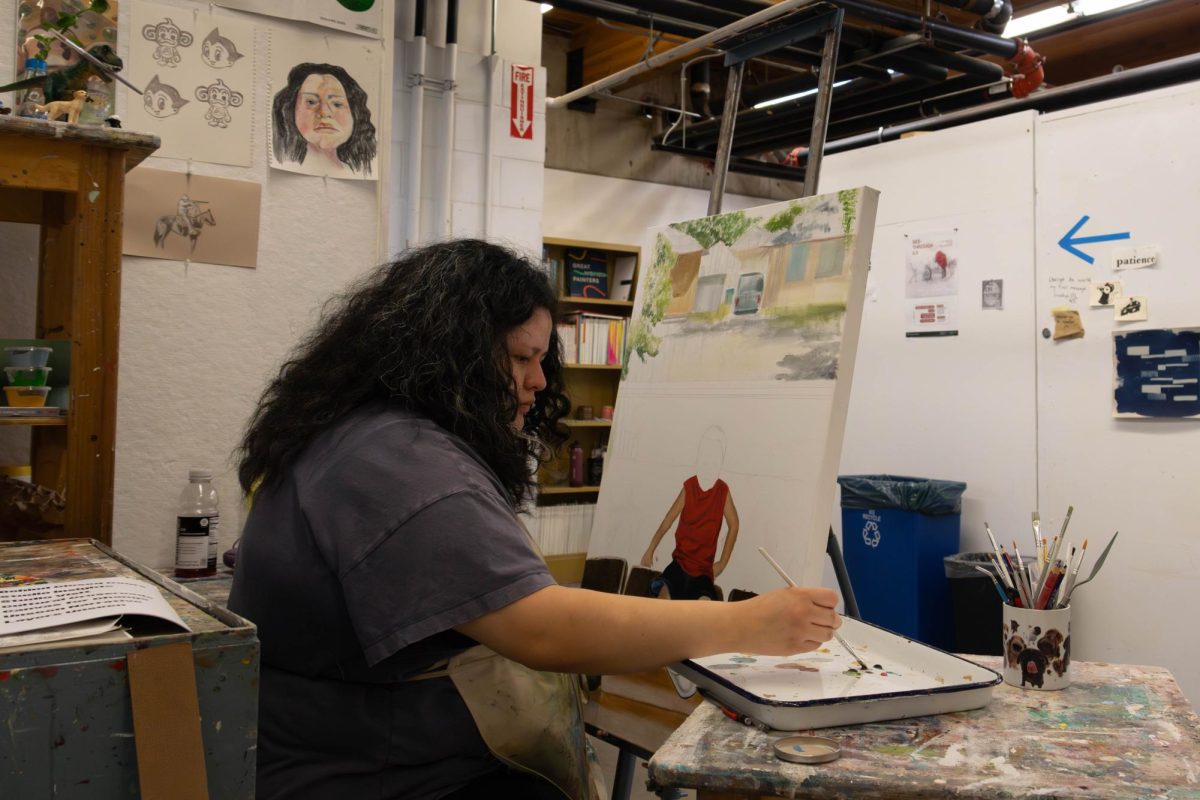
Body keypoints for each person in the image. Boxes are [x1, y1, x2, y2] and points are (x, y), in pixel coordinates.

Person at [228, 239, 842, 800]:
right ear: (453, 353)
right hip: (372, 775)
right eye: (522, 357)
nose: (538, 381)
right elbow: (543, 631)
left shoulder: (360, 432)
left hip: (357, 749)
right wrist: (744, 620)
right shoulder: (396, 460)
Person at [640, 426, 740, 600]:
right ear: (698, 461)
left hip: (703, 571)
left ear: (720, 465)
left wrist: (722, 563)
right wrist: (651, 548)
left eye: (714, 464)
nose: (709, 468)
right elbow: (668, 520)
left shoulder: (722, 491)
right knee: (664, 596)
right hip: (680, 564)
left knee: (704, 605)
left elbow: (734, 524)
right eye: (705, 463)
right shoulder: (689, 487)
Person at [271, 62, 377, 177]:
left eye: (337, 104)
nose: (324, 113)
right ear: (290, 109)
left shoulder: (361, 172)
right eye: (311, 102)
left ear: (355, 113)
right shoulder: (285, 167)